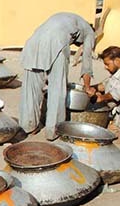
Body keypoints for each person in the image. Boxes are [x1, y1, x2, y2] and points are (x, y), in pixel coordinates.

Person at [19, 12, 95, 141]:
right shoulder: (89, 32)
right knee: (57, 90)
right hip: (57, 43)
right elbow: (87, 62)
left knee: (30, 89)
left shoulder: (68, 18)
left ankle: (28, 127)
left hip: (32, 43)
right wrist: (87, 87)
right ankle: (53, 131)